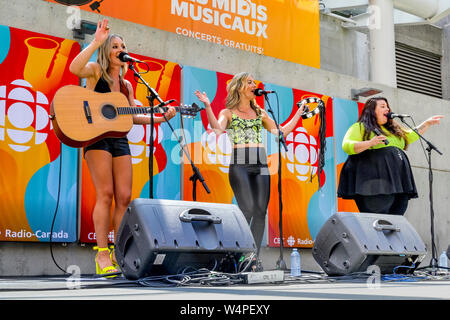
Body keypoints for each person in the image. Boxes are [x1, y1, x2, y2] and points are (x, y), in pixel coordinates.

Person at [69, 19, 176, 275]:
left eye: (123, 46)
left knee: (124, 198)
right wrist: (96, 41)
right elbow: (74, 68)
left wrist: (162, 117)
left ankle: (118, 253)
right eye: (115, 46)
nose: (120, 49)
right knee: (105, 194)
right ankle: (102, 255)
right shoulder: (96, 71)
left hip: (119, 139)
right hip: (97, 137)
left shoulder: (127, 85)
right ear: (107, 51)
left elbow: (132, 116)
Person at [195, 72, 306, 262]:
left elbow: (280, 132)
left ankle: (252, 258)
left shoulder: (260, 112)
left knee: (261, 211)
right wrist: (207, 106)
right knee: (247, 209)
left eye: (254, 82)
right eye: (249, 82)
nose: (254, 85)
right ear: (239, 87)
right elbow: (218, 130)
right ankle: (234, 254)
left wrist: (299, 112)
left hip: (260, 161)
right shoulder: (227, 112)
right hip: (240, 161)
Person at [337, 96, 443, 215]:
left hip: (397, 181)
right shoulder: (361, 127)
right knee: (379, 217)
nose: (387, 109)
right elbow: (347, 145)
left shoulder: (393, 131)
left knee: (397, 215)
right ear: (372, 111)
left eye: (387, 106)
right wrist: (370, 143)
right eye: (382, 106)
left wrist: (427, 123)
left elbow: (410, 135)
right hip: (374, 182)